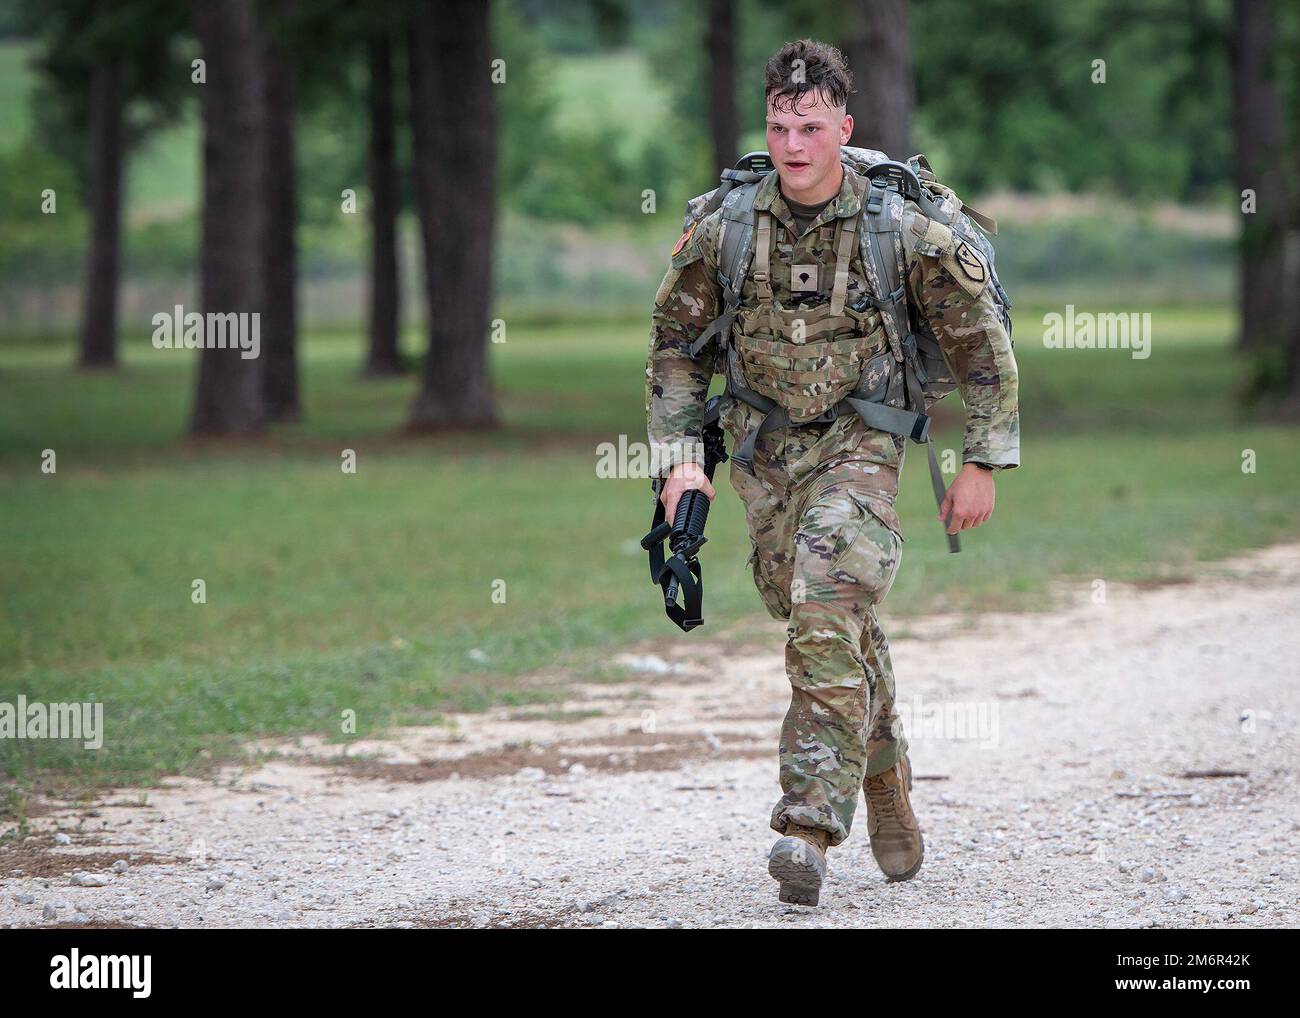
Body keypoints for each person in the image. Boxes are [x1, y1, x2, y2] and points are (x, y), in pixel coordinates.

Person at [644, 39, 1020, 906]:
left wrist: (984, 462)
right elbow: (674, 348)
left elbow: (981, 350)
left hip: (865, 445)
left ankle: (808, 826)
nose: (792, 143)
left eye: (810, 126)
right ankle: (885, 776)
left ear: (843, 127)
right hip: (765, 453)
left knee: (822, 608)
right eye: (779, 125)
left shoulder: (901, 229)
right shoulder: (726, 229)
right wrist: (677, 464)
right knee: (816, 614)